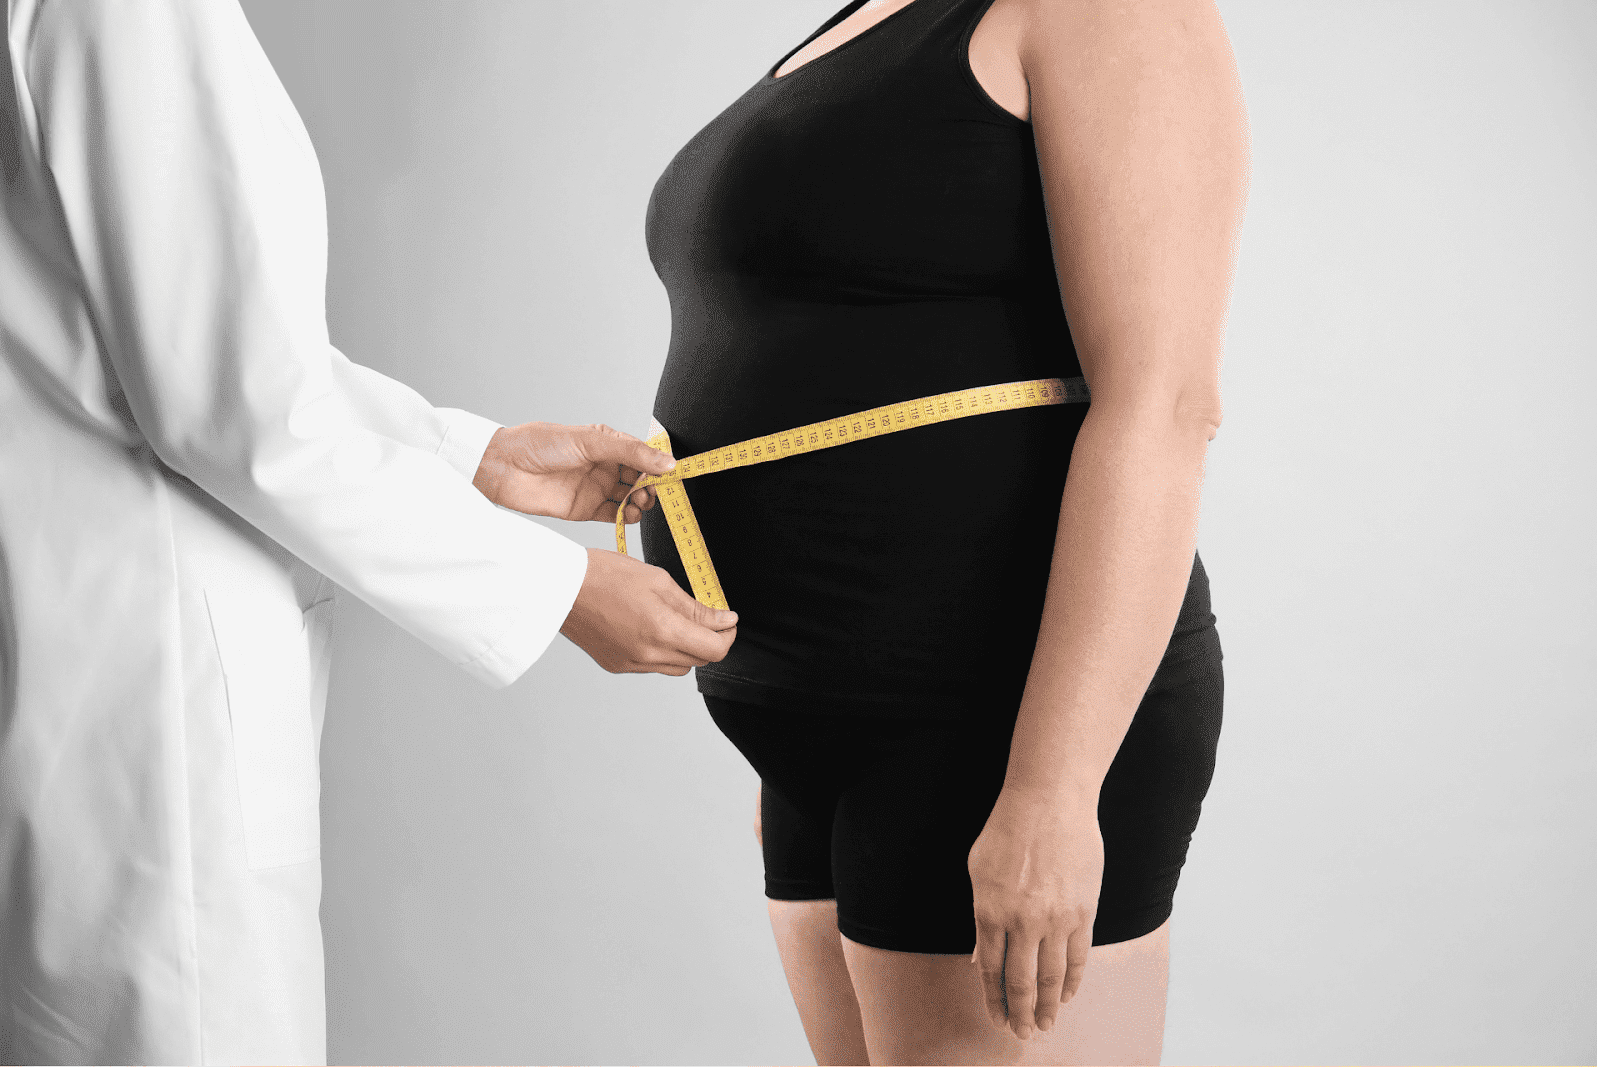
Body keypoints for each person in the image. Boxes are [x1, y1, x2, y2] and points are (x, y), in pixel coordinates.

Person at [0, 2, 738, 1064]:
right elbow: (236, 408)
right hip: (144, 709)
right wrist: (552, 592)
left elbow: (155, 332)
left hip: (61, 650)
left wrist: (463, 456)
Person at [638, 0, 1249, 1062]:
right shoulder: (871, 19)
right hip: (821, 723)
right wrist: (801, 745)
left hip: (989, 716)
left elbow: (1163, 407)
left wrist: (1055, 791)